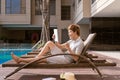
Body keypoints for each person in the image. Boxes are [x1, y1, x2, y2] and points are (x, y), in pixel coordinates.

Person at [11, 24, 84, 64]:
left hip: (66, 60)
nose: (69, 34)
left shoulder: (80, 43)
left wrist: (69, 49)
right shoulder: (72, 41)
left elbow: (76, 59)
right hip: (63, 55)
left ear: (75, 32)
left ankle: (20, 60)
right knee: (49, 43)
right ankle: (37, 58)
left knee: (43, 59)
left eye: (70, 32)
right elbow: (61, 46)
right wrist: (54, 40)